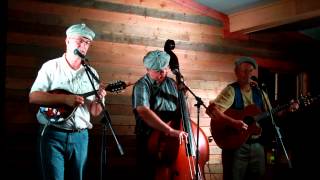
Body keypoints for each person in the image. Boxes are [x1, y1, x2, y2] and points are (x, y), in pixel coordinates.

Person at [29, 23, 106, 180]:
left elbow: (95, 112)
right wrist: (65, 99)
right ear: (67, 41)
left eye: (87, 42)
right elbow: (34, 97)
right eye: (80, 40)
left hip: (81, 136)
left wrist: (100, 97)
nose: (83, 45)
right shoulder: (51, 66)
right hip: (52, 134)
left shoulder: (92, 73)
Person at [206, 56, 299, 180]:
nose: (247, 74)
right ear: (237, 73)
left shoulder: (260, 92)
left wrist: (287, 109)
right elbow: (212, 111)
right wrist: (234, 122)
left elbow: (273, 114)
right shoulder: (231, 90)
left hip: (257, 146)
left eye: (250, 71)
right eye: (244, 71)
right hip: (236, 147)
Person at [131, 50, 188, 180]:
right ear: (147, 69)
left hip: (170, 140)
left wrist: (184, 97)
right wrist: (169, 130)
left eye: (164, 69)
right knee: (148, 173)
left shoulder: (173, 84)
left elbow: (183, 113)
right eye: (157, 70)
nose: (162, 73)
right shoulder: (142, 85)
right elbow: (144, 111)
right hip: (148, 138)